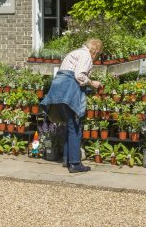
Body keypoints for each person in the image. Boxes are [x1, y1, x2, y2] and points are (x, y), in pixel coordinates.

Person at [40, 38, 103, 173]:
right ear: (95, 51)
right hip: (69, 91)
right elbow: (79, 75)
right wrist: (92, 83)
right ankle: (75, 163)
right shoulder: (86, 55)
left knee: (69, 125)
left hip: (59, 89)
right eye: (98, 54)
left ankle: (67, 159)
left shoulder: (75, 52)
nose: (96, 57)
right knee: (75, 126)